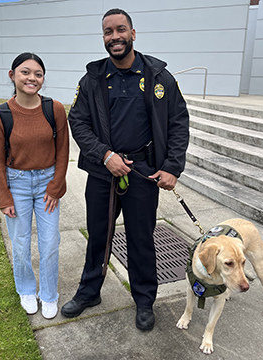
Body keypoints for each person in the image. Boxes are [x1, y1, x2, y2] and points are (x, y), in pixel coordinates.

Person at [61, 9, 189, 331]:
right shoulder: (92, 79)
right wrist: (104, 155)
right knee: (99, 237)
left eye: (120, 30)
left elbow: (178, 123)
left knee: (141, 238)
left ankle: (144, 300)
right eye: (108, 32)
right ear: (103, 38)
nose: (114, 37)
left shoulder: (160, 77)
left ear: (133, 33)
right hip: (105, 171)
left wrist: (172, 167)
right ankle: (89, 292)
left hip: (144, 171)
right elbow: (78, 121)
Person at [0, 52, 69, 319]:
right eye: (25, 72)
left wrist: (56, 185)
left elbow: (63, 150)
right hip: (17, 184)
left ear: (43, 79)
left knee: (50, 243)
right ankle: (26, 289)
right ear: (12, 75)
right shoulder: (0, 115)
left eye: (38, 74)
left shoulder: (54, 109)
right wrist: (3, 197)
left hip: (47, 184)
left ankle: (48, 294)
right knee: (20, 243)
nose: (31, 78)